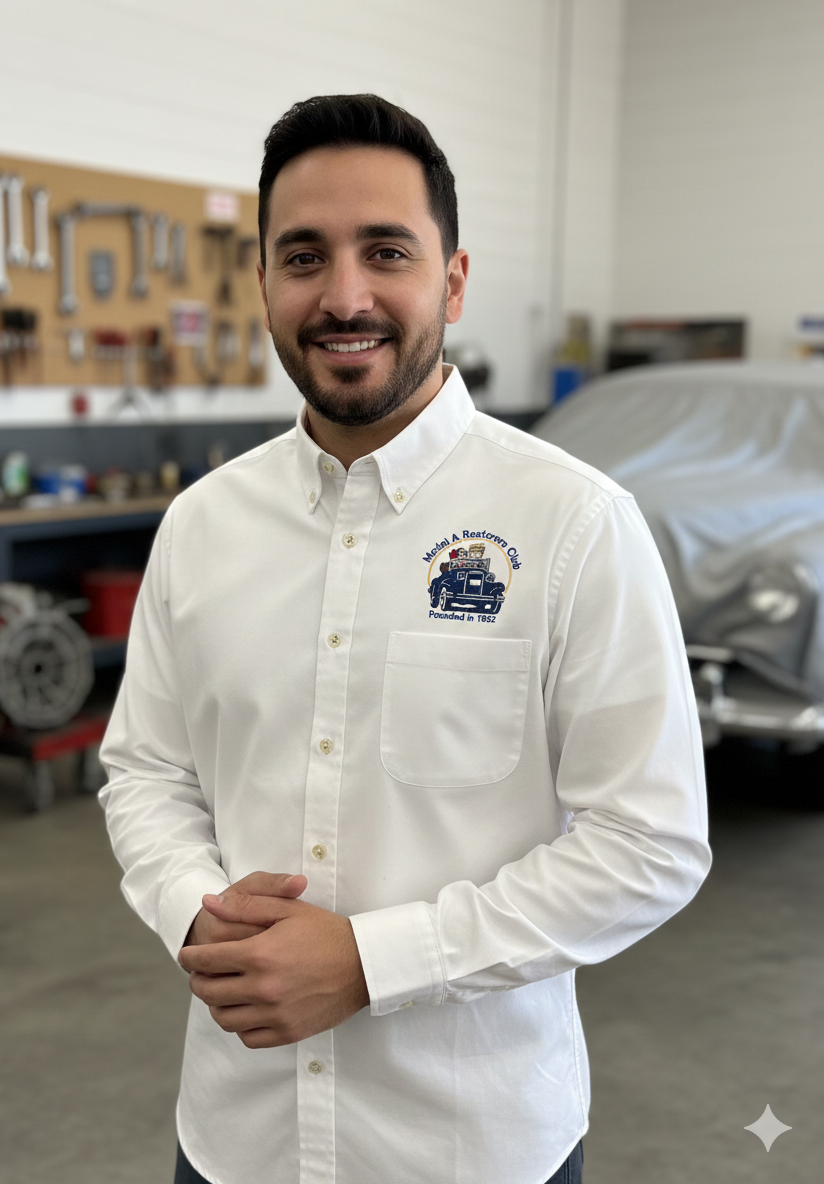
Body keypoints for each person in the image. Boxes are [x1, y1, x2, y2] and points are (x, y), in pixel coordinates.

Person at [100, 94, 711, 1184]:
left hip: (473, 1148)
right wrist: (196, 908)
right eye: (305, 256)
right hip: (238, 1138)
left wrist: (373, 962)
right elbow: (147, 769)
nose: (345, 297)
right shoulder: (201, 526)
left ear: (454, 281)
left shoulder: (573, 524)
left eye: (386, 251)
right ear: (263, 282)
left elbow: (649, 840)